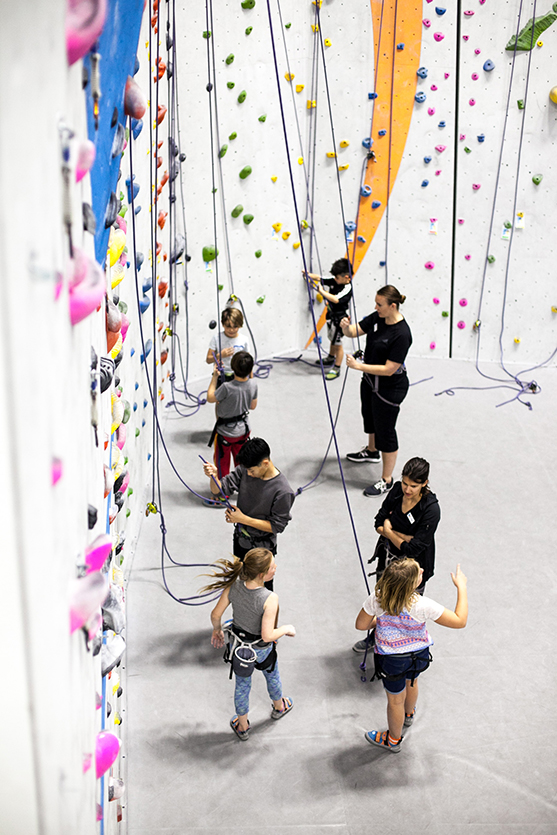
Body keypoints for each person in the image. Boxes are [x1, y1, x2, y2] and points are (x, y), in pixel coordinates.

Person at [355, 558, 468, 752]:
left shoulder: (377, 598)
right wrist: (461, 587)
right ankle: (409, 715)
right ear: (413, 584)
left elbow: (361, 625)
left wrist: (379, 622)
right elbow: (459, 621)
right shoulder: (423, 604)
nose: (423, 570)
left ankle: (393, 740)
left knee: (395, 700)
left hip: (391, 660)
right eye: (419, 573)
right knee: (413, 682)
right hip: (418, 655)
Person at [201, 548, 295, 741]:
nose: (275, 568)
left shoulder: (233, 587)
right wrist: (285, 629)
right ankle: (279, 706)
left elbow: (215, 614)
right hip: (261, 650)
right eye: (272, 566)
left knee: (242, 685)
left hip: (240, 649)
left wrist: (217, 630)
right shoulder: (269, 598)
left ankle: (242, 725)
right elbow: (268, 635)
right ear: (262, 574)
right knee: (272, 675)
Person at [353, 457, 440, 652]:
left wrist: (390, 532)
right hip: (388, 559)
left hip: (413, 569)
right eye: (406, 484)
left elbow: (413, 549)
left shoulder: (431, 509)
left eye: (414, 486)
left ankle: (407, 647)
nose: (407, 490)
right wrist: (403, 537)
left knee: (406, 611)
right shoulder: (397, 491)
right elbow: (378, 522)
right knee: (384, 602)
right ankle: (378, 636)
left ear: (424, 483)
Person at [341, 284, 412, 496]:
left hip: (390, 387)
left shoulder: (402, 334)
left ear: (393, 306)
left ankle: (387, 480)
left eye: (379, 304)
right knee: (370, 418)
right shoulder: (378, 317)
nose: (376, 307)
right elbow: (355, 331)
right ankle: (372, 451)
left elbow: (390, 369)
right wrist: (345, 327)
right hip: (371, 381)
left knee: (386, 430)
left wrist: (358, 366)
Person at [202, 438, 295, 590]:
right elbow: (219, 490)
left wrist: (243, 519)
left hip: (262, 550)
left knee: (262, 592)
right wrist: (214, 476)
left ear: (265, 463)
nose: (249, 474)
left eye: (252, 470)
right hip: (241, 541)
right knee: (240, 586)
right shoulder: (245, 470)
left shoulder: (283, 491)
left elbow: (276, 526)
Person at [206, 351, 258, 478]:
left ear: (233, 368)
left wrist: (214, 376)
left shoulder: (226, 387)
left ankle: (224, 492)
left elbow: (210, 397)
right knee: (241, 461)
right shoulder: (253, 385)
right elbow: (253, 406)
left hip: (225, 432)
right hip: (243, 430)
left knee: (222, 462)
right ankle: (242, 486)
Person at [304, 258, 353, 381]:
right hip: (331, 316)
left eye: (337, 278)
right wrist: (308, 275)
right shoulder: (336, 280)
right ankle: (331, 357)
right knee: (332, 339)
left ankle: (337, 367)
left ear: (346, 277)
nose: (335, 280)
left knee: (338, 344)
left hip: (340, 319)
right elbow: (320, 278)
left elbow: (336, 299)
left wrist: (321, 291)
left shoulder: (347, 288)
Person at [206, 307, 250, 382]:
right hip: (220, 374)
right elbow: (208, 360)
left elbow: (248, 362)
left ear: (240, 325)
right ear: (222, 324)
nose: (232, 330)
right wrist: (220, 356)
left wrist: (251, 379)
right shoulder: (216, 338)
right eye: (228, 326)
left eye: (235, 327)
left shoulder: (244, 340)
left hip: (238, 375)